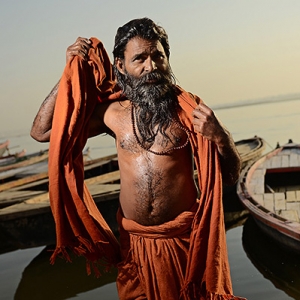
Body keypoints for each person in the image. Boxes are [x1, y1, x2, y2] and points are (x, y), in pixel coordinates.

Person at [31, 18, 245, 300]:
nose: (151, 66)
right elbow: (42, 131)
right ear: (121, 65)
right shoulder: (112, 113)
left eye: (158, 56)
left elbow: (229, 178)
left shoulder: (189, 110)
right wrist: (68, 74)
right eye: (140, 59)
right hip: (134, 246)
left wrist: (221, 137)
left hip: (184, 243)